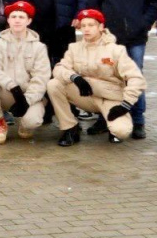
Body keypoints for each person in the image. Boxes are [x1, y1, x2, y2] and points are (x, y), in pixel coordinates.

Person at [87, 0, 157, 139]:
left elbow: (155, 1)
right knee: (105, 77)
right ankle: (104, 118)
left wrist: (144, 23)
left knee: (134, 78)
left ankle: (138, 120)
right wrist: (98, 29)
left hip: (136, 36)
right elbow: (94, 2)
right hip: (108, 37)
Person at [47, 9, 146, 146]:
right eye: (83, 26)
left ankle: (111, 125)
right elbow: (59, 69)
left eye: (91, 25)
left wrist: (126, 104)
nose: (86, 29)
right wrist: (75, 78)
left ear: (101, 27)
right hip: (86, 96)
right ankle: (70, 128)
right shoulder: (74, 48)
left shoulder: (116, 50)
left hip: (110, 99)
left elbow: (136, 79)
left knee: (121, 131)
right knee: (54, 85)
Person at [0, 1, 51, 143]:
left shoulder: (39, 47)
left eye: (22, 17)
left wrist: (27, 100)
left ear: (29, 21)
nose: (17, 20)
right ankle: (0, 124)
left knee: (33, 121)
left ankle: (25, 126)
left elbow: (41, 78)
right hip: (7, 92)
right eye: (13, 16)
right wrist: (12, 86)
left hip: (30, 94)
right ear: (8, 20)